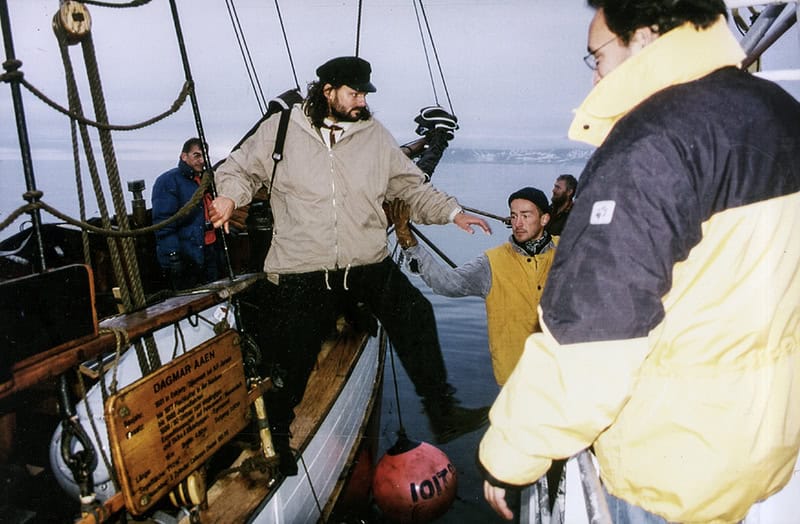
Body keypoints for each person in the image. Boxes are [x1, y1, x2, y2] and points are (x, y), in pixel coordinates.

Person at [479, 1, 800, 523]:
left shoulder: (651, 145)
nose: (595, 79)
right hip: (767, 445)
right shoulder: (781, 112)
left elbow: (593, 340)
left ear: (647, 38)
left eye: (597, 57)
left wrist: (509, 458)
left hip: (674, 470)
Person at [209, 56, 493, 476]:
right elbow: (238, 169)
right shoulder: (283, 130)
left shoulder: (374, 137)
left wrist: (453, 213)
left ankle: (442, 412)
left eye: (364, 93)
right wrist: (231, 196)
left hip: (365, 261)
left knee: (415, 314)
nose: (361, 101)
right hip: (303, 268)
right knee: (293, 359)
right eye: (354, 93)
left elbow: (409, 185)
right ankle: (279, 443)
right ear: (328, 92)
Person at [152, 138, 220, 290]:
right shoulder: (168, 181)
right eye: (196, 155)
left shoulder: (204, 180)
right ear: (184, 157)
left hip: (208, 250)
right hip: (185, 256)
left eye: (204, 156)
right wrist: (173, 255)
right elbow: (163, 222)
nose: (202, 160)